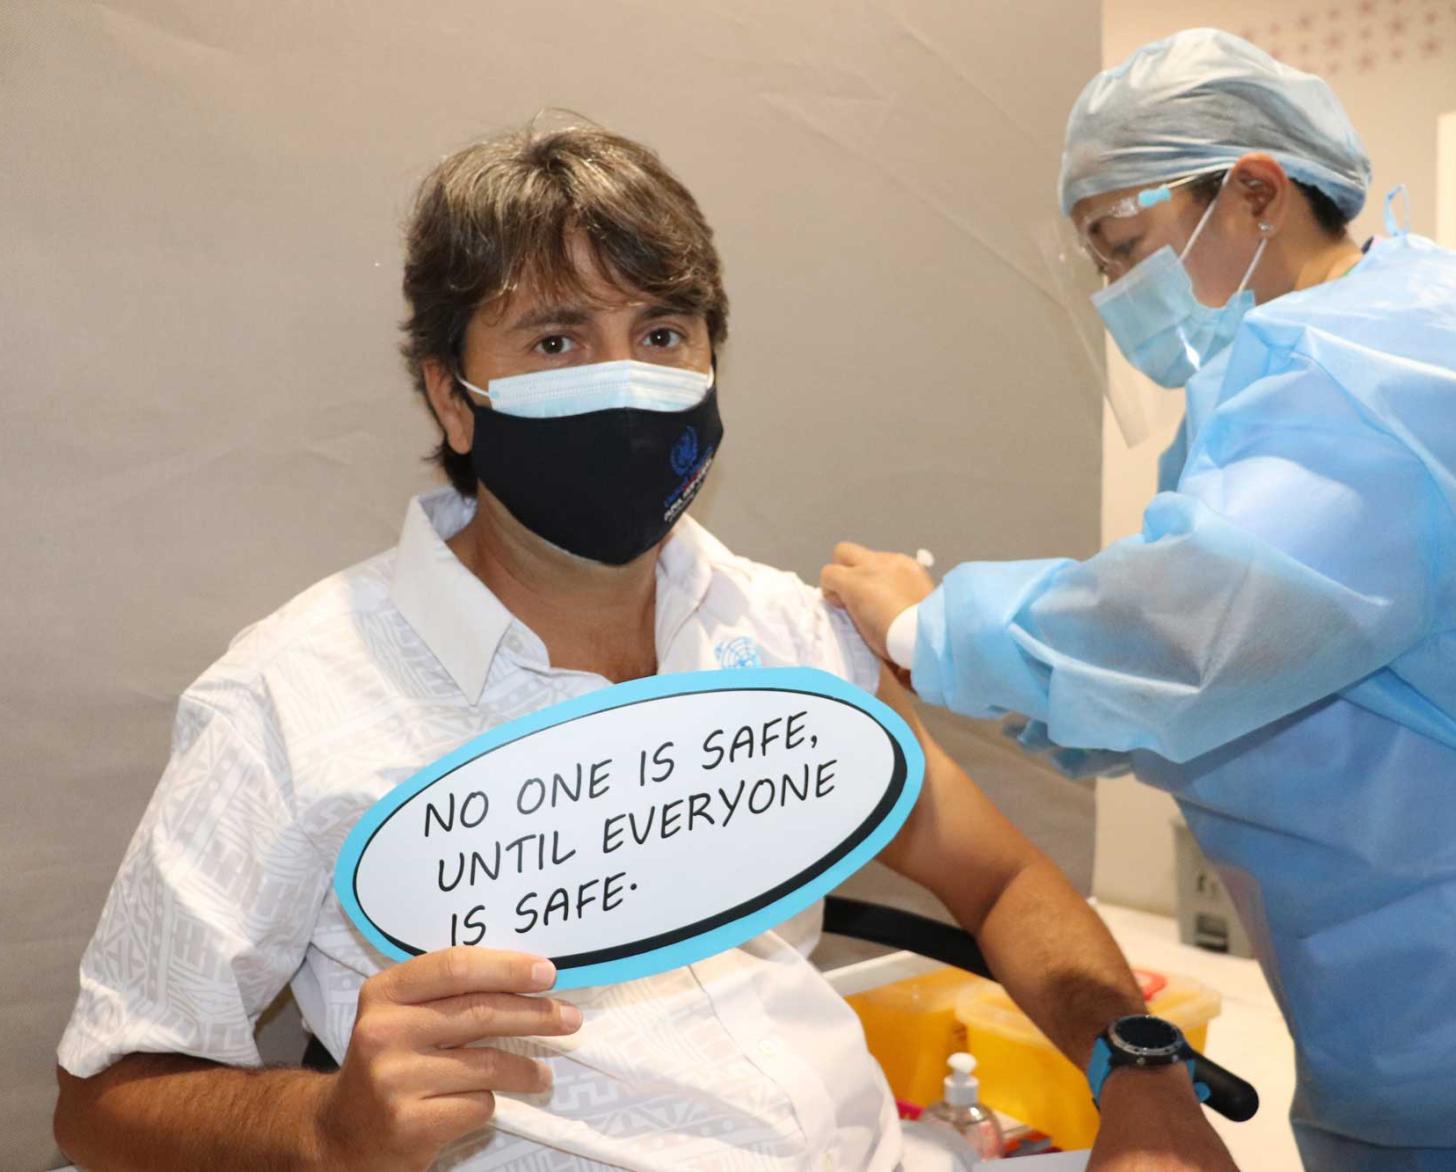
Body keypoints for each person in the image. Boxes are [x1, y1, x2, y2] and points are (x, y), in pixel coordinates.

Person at [51, 123, 1233, 1171]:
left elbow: (1001, 875)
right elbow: (104, 1100)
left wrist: (1141, 1074)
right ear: (452, 398)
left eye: (662, 331)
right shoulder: (290, 700)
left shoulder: (778, 631)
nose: (624, 380)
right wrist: (327, 1130)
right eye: (557, 340)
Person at [822, 27, 1456, 1172]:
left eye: (1124, 246)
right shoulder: (1265, 385)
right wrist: (1020, 697)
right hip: (1387, 1034)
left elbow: (1195, 624)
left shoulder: (1388, 372)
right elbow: (1197, 696)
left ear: (1257, 191)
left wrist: (933, 621)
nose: (1118, 292)